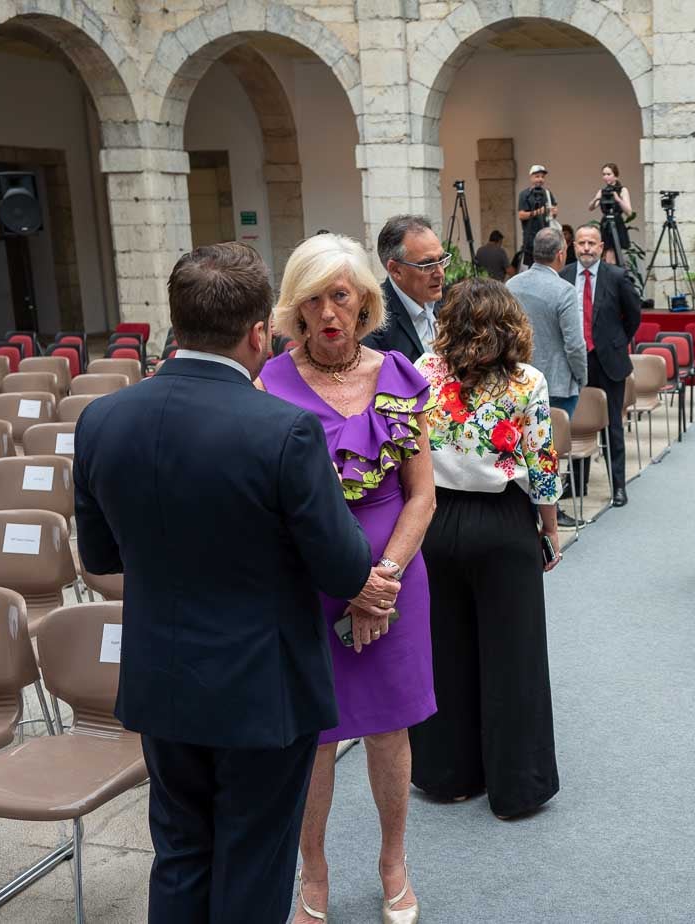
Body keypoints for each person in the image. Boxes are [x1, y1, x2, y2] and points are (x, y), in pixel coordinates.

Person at [73, 242, 401, 923]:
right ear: (258, 333)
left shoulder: (102, 418)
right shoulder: (284, 432)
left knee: (181, 854)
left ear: (177, 322)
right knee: (253, 863)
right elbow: (342, 568)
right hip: (262, 689)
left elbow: (101, 556)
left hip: (161, 679)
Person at [255, 234, 437, 924]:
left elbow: (422, 495)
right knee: (318, 736)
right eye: (314, 298)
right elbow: (266, 503)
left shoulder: (397, 371)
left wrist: (380, 580)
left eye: (341, 295)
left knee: (390, 728)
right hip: (306, 580)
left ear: (364, 297)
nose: (329, 312)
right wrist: (348, 582)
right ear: (294, 307)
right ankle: (314, 873)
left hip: (394, 576)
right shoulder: (268, 384)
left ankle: (393, 862)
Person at [410, 277, 562, 819]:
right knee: (513, 657)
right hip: (502, 524)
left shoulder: (421, 373)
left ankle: (446, 775)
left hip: (434, 518)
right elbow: (541, 462)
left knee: (444, 651)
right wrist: (550, 528)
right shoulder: (528, 382)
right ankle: (516, 788)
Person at [508, 227, 587, 529]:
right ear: (560, 254)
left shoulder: (512, 284)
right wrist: (582, 377)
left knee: (520, 449)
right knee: (548, 454)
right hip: (557, 383)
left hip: (515, 379)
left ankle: (523, 509)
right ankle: (551, 513)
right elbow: (575, 344)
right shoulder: (565, 291)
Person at [560, 224, 642, 507]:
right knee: (576, 422)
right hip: (575, 362)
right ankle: (577, 482)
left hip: (608, 361)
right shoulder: (565, 275)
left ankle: (618, 485)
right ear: (574, 247)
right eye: (581, 243)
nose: (585, 248)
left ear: (601, 246)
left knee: (612, 425)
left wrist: (617, 341)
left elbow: (634, 315)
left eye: (591, 243)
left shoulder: (617, 276)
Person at [364, 214, 448, 363]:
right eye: (427, 265)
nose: (440, 273)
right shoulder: (373, 321)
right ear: (396, 270)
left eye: (441, 260)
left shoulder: (448, 303)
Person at [587, 162, 634, 264]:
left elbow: (629, 212)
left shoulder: (622, 190)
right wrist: (596, 198)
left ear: (615, 176)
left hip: (617, 222)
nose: (606, 177)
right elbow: (590, 208)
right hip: (606, 223)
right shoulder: (602, 191)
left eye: (609, 174)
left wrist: (618, 200)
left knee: (615, 253)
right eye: (604, 174)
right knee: (608, 252)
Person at [517, 164, 559, 267]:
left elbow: (554, 211)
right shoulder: (524, 194)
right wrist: (538, 212)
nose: (540, 179)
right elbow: (521, 215)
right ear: (531, 177)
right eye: (537, 176)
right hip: (530, 240)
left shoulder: (548, 194)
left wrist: (554, 212)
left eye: (542, 177)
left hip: (546, 238)